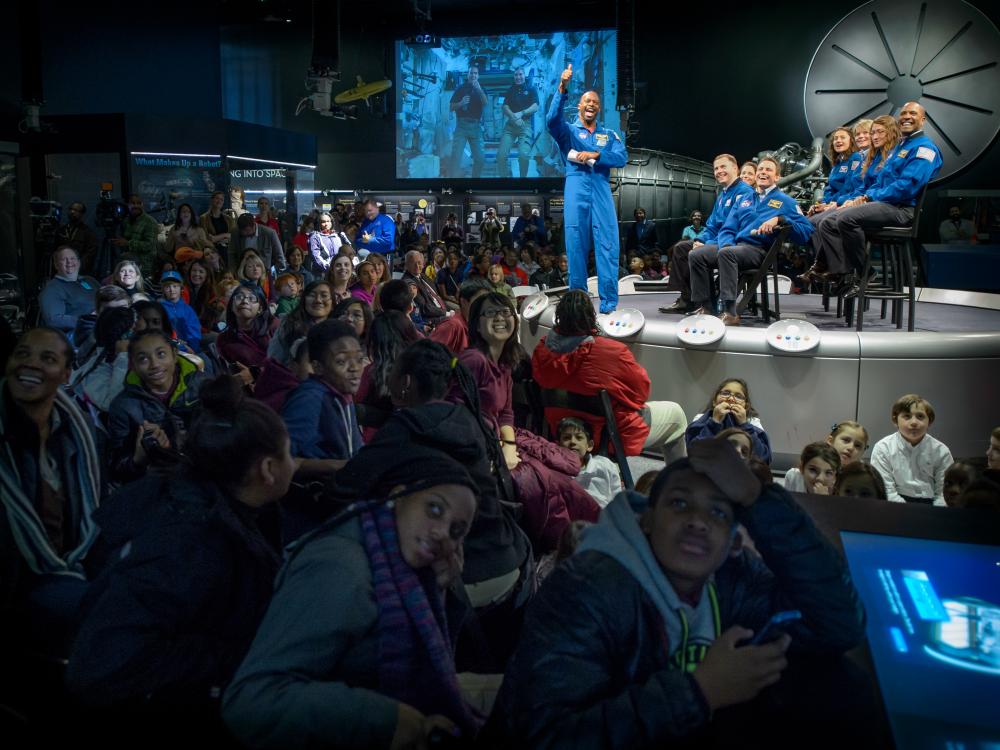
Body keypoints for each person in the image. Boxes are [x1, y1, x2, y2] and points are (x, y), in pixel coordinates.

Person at [489, 438, 866, 749]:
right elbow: (541, 737)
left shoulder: (730, 577)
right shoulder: (584, 589)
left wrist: (757, 497)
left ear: (733, 541)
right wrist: (699, 692)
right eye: (680, 503)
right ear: (648, 520)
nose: (699, 522)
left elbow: (838, 624)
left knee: (841, 690)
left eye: (718, 513)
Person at [65, 376, 290, 734]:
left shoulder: (213, 508)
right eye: (289, 452)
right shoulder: (190, 541)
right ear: (268, 469)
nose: (294, 462)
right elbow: (104, 662)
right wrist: (237, 657)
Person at [223, 449, 480, 749]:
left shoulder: (398, 561)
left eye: (456, 530)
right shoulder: (342, 568)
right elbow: (253, 700)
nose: (441, 533)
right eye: (434, 509)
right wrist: (388, 720)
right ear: (398, 496)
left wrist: (442, 590)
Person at [0, 327, 102, 647]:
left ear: (66, 373)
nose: (30, 364)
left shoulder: (77, 429)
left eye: (47, 358)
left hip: (73, 561)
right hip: (19, 585)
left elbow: (94, 514)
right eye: (22, 354)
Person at [532, 290, 688, 463]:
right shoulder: (610, 351)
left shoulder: (541, 351)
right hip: (608, 435)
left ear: (559, 317)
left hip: (562, 433)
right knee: (676, 414)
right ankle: (678, 483)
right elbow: (641, 393)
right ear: (590, 316)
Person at [815, 102, 943, 295]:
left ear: (922, 120)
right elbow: (880, 181)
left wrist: (868, 197)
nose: (907, 116)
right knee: (829, 221)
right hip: (883, 204)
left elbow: (906, 187)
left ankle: (863, 273)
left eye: (913, 113)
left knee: (845, 218)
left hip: (901, 209)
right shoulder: (900, 147)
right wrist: (864, 197)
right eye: (904, 113)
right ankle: (844, 274)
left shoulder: (925, 148)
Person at [688, 157, 813, 325]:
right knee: (696, 254)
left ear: (777, 177)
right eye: (760, 169)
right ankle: (706, 306)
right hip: (735, 248)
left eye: (768, 170)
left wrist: (780, 219)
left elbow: (806, 231)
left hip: (760, 251)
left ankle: (730, 312)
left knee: (727, 254)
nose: (763, 172)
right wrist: (726, 244)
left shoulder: (786, 201)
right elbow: (728, 229)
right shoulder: (744, 199)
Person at [547, 64, 628, 313]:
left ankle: (609, 305)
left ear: (599, 107)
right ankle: (579, 305)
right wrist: (562, 87)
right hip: (576, 187)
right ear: (579, 106)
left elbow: (621, 157)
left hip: (601, 190)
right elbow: (551, 121)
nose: (590, 104)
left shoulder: (610, 135)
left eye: (594, 101)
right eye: (586, 101)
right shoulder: (569, 131)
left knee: (607, 245)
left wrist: (596, 154)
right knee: (576, 244)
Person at [106, 329, 207, 482]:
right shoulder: (124, 407)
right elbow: (116, 471)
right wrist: (139, 458)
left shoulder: (201, 385)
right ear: (132, 364)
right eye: (143, 359)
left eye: (161, 354)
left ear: (174, 354)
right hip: (161, 484)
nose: (154, 365)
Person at [660, 154, 754, 314]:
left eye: (723, 167)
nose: (719, 171)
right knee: (681, 247)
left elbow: (735, 228)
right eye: (716, 168)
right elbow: (711, 225)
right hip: (715, 240)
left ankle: (706, 304)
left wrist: (708, 243)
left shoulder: (745, 192)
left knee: (697, 252)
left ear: (735, 168)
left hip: (731, 244)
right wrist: (699, 239)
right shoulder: (723, 194)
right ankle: (687, 299)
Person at [280, 319, 364, 474]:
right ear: (318, 367)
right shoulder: (310, 398)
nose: (355, 368)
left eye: (359, 359)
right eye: (341, 361)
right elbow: (280, 458)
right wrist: (337, 466)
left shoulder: (342, 392)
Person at [870, 393, 952, 505]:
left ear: (930, 421)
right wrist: (907, 512)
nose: (914, 422)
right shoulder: (883, 448)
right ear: (895, 420)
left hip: (932, 505)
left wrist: (935, 513)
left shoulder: (941, 451)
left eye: (920, 416)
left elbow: (944, 492)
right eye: (907, 416)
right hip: (894, 505)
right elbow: (886, 490)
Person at [686, 378, 772, 464]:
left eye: (738, 396)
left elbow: (762, 458)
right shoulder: (700, 419)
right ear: (714, 402)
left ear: (746, 406)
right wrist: (714, 422)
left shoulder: (752, 422)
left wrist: (744, 425)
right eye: (725, 393)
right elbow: (694, 454)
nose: (731, 399)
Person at [69, 306, 136, 414]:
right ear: (124, 338)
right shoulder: (98, 368)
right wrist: (123, 358)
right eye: (134, 331)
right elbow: (110, 404)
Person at [783, 420, 869, 492]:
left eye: (857, 446)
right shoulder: (796, 476)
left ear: (863, 452)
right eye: (846, 440)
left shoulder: (859, 480)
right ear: (830, 440)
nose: (851, 448)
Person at [557, 417, 622, 508]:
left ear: (590, 445)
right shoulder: (555, 472)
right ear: (558, 446)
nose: (572, 442)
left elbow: (618, 499)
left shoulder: (605, 466)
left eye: (579, 437)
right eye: (567, 438)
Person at [39, 246, 100, 342]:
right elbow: (54, 319)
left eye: (72, 258)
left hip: (101, 328)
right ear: (56, 265)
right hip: (78, 339)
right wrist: (88, 319)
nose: (69, 262)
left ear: (79, 262)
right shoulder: (52, 289)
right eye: (64, 259)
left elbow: (107, 297)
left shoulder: (89, 280)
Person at [217, 282, 279, 376]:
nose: (245, 301)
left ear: (260, 308)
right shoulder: (224, 339)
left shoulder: (275, 326)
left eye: (251, 298)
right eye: (239, 297)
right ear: (231, 307)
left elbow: (287, 362)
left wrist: (254, 374)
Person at [268, 279, 334, 364]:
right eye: (312, 295)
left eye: (324, 295)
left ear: (332, 303)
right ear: (304, 300)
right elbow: (275, 362)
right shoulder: (288, 324)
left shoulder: (338, 328)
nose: (318, 300)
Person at [496, 67, 539, 178]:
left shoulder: (531, 89)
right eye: (516, 75)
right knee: (501, 155)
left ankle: (522, 180)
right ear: (514, 77)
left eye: (520, 74)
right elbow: (505, 106)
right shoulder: (510, 90)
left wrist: (521, 113)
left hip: (525, 125)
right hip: (510, 126)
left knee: (523, 155)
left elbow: (535, 106)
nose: (518, 77)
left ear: (524, 75)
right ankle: (504, 180)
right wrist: (514, 117)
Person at [430, 277, 491, 355]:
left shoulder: (478, 324)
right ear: (464, 302)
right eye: (479, 301)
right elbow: (428, 356)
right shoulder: (452, 326)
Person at [449, 64, 488, 178]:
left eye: (475, 73)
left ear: (478, 76)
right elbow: (451, 107)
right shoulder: (460, 88)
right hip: (461, 126)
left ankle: (474, 181)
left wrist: (479, 90)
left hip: (476, 128)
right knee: (456, 157)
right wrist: (461, 103)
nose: (473, 75)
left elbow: (485, 103)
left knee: (480, 158)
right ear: (468, 74)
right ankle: (454, 183)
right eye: (471, 73)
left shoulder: (481, 89)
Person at [112, 194, 159, 280]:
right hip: (127, 262)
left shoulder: (150, 222)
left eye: (139, 203)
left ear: (142, 205)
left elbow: (149, 245)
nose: (136, 206)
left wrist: (127, 243)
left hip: (144, 265)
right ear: (128, 205)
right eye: (133, 203)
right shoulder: (126, 221)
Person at [403, 249, 450, 326]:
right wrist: (446, 313)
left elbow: (437, 297)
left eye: (419, 263)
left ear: (423, 263)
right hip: (430, 318)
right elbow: (424, 308)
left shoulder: (423, 276)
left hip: (440, 310)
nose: (417, 266)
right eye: (413, 263)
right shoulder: (408, 282)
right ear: (407, 265)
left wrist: (450, 310)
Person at [159, 271, 202, 353]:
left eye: (175, 286)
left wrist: (193, 348)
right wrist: (181, 347)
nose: (172, 290)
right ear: (163, 290)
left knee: (207, 363)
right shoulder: (159, 308)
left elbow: (194, 330)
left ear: (181, 288)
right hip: (169, 348)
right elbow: (161, 332)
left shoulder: (188, 309)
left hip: (190, 348)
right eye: (167, 287)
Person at [56, 201, 98, 274]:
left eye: (76, 210)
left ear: (82, 214)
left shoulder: (88, 232)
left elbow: (90, 254)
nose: (72, 212)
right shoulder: (61, 230)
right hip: (61, 268)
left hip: (79, 270)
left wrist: (78, 267)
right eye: (70, 209)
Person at [200, 190, 236, 261]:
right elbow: (206, 238)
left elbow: (233, 236)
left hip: (227, 251)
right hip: (212, 252)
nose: (219, 201)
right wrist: (226, 235)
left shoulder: (229, 219)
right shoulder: (203, 218)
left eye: (221, 199)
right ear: (212, 200)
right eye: (217, 198)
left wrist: (217, 237)